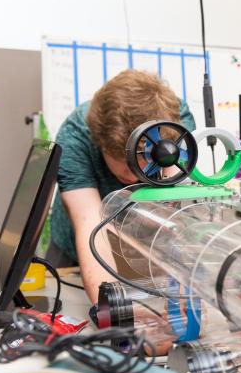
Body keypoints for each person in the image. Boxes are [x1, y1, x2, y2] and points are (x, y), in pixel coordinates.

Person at [46, 70, 195, 303]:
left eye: (146, 162)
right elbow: (90, 225)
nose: (135, 175)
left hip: (144, 243)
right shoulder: (76, 136)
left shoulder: (175, 124)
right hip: (76, 250)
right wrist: (116, 319)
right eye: (126, 164)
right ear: (100, 143)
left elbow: (174, 206)